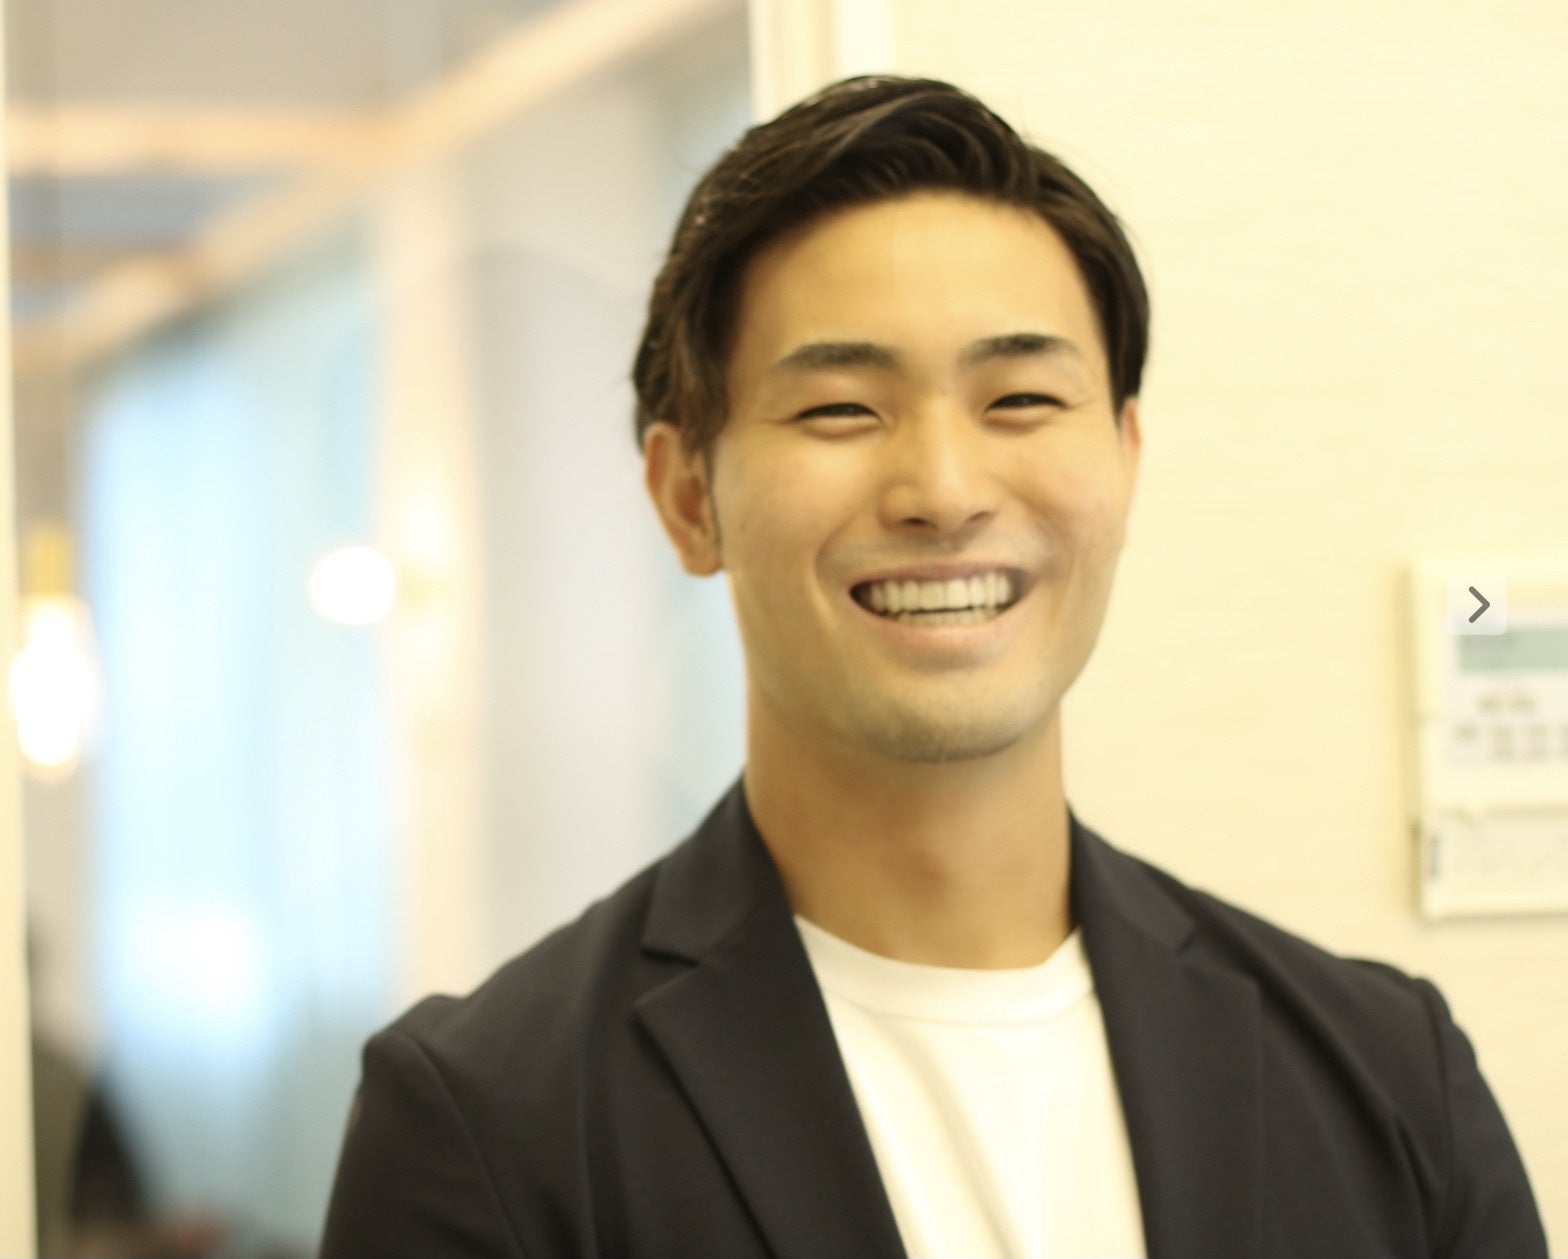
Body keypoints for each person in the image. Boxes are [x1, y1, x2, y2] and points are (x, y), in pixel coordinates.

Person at [318, 75, 1547, 1258]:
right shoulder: (492, 1122)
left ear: (1123, 460)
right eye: (840, 409)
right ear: (689, 495)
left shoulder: (1392, 1079)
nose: (944, 491)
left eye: (1019, 399)